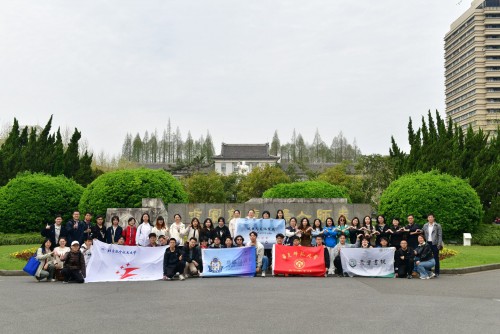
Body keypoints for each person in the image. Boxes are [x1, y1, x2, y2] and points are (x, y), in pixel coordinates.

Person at [423, 213, 443, 277]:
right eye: (429, 217)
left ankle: (437, 272)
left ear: (434, 218)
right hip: (428, 243)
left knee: (436, 258)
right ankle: (429, 272)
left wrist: (439, 244)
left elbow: (440, 235)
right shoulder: (425, 225)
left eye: (431, 217)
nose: (430, 218)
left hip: (435, 244)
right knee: (428, 258)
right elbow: (422, 232)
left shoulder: (437, 225)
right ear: (427, 218)